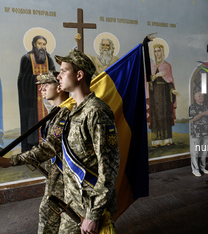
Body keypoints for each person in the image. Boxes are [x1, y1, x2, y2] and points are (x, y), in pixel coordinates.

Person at [55, 49, 120, 233]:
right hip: (74, 205)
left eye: (63, 71)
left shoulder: (96, 112)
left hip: (90, 207)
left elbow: (109, 166)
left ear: (79, 75)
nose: (58, 76)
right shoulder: (73, 112)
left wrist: (93, 215)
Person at [0, 71, 70, 233]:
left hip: (64, 180)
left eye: (46, 85)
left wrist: (11, 161)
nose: (41, 89)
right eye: (40, 86)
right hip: (55, 176)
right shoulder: (54, 113)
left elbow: (49, 148)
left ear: (59, 87)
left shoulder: (64, 114)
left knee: (49, 220)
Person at [18, 35, 55, 152]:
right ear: (34, 44)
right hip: (32, 100)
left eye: (44, 44)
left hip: (47, 99)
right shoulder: (27, 58)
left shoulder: (48, 59)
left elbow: (54, 75)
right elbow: (22, 79)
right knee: (32, 126)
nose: (42, 47)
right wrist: (36, 78)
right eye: (39, 44)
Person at [145, 43, 178, 147]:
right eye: (155, 51)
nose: (157, 53)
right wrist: (156, 75)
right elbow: (148, 82)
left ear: (162, 52)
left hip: (165, 95)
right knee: (156, 117)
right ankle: (156, 141)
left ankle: (167, 140)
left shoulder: (167, 66)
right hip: (154, 95)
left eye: (159, 51)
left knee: (166, 115)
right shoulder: (150, 66)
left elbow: (170, 82)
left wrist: (173, 91)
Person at [189, 91, 208, 177]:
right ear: (195, 98)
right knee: (195, 152)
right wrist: (203, 114)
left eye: (202, 96)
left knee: (204, 152)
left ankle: (203, 168)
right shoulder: (192, 107)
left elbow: (207, 119)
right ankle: (195, 170)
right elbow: (192, 119)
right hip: (196, 133)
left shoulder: (205, 106)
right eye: (199, 96)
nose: (201, 97)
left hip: (205, 133)